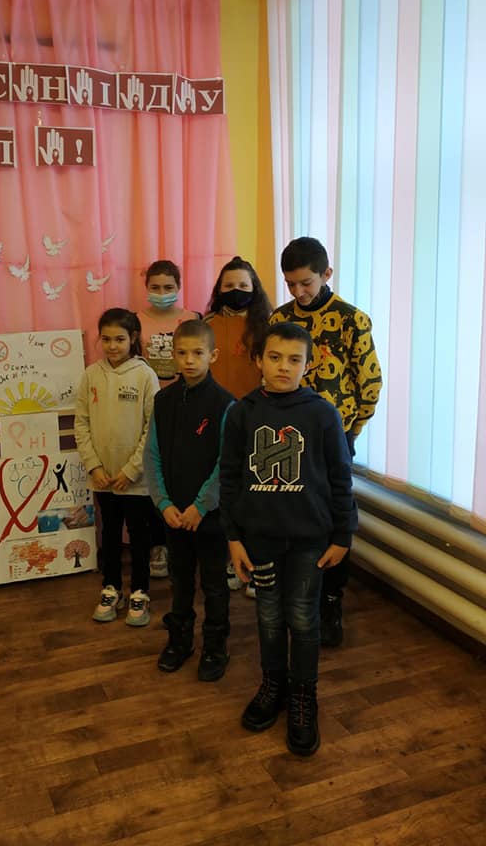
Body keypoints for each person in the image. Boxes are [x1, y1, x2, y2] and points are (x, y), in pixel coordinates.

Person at [220, 322, 357, 756]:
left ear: (308, 365)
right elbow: (229, 479)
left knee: (302, 617)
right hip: (259, 539)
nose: (284, 367)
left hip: (308, 541)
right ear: (258, 360)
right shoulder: (241, 413)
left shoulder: (323, 415)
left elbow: (340, 477)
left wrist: (343, 534)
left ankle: (303, 696)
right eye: (275, 357)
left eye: (294, 359)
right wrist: (233, 538)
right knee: (268, 616)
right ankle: (273, 685)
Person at [270, 237, 382, 646]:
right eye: (291, 284)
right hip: (288, 438)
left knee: (335, 517)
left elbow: (370, 383)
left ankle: (331, 601)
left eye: (306, 283)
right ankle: (298, 597)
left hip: (336, 437)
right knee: (295, 515)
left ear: (326, 274)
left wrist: (349, 432)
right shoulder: (280, 319)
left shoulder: (353, 320)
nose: (299, 292)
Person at [144, 320, 235, 682]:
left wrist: (201, 505)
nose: (189, 360)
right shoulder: (163, 400)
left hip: (208, 516)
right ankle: (179, 640)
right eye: (182, 353)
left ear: (213, 355)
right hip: (173, 514)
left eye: (198, 353)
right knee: (180, 581)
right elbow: (152, 455)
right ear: (173, 355)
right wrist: (163, 503)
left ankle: (215, 646)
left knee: (214, 584)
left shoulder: (225, 403)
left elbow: (227, 463)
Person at [74, 308, 160, 627]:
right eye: (107, 339)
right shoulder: (90, 375)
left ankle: (139, 591)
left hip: (134, 479)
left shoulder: (145, 375)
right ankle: (111, 588)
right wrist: (94, 467)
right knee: (109, 534)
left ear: (133, 338)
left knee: (138, 536)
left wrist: (131, 470)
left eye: (119, 339)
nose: (112, 346)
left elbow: (152, 428)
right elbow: (81, 423)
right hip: (103, 478)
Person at [204, 256, 272, 594]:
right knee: (224, 491)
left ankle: (256, 563)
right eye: (229, 285)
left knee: (254, 494)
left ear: (254, 288)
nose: (236, 291)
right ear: (219, 289)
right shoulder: (207, 325)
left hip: (255, 419)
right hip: (216, 420)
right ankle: (230, 559)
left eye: (243, 285)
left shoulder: (267, 326)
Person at [139, 259, 200, 580]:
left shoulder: (193, 319)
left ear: (179, 287)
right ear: (146, 288)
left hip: (187, 404)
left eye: (168, 287)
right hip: (151, 405)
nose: (162, 293)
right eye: (155, 287)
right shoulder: (136, 321)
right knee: (156, 471)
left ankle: (190, 536)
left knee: (185, 470)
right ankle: (157, 544)